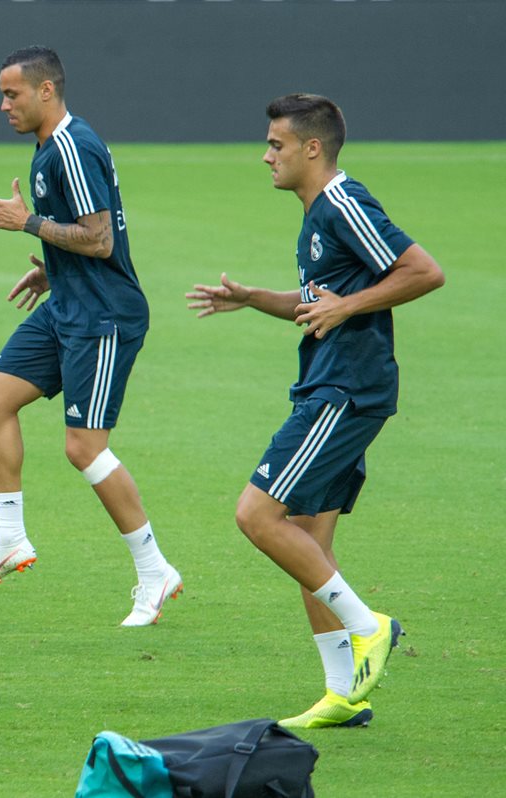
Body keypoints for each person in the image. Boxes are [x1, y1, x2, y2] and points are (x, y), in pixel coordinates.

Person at [186, 93, 444, 727]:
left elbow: (424, 271)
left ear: (311, 148)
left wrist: (346, 308)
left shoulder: (343, 203)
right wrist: (253, 299)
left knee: (257, 514)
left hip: (344, 390)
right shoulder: (317, 216)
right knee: (308, 542)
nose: (265, 155)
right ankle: (343, 694)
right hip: (336, 385)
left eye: (275, 144)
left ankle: (369, 625)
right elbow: (318, 303)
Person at [0, 46, 181, 627]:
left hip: (104, 315)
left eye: (12, 94)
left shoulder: (72, 146)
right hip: (69, 303)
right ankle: (10, 539)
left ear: (46, 92)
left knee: (84, 447)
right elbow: (83, 238)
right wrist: (50, 266)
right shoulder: (45, 148)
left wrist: (28, 223)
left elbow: (101, 238)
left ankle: (155, 571)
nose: (2, 104)